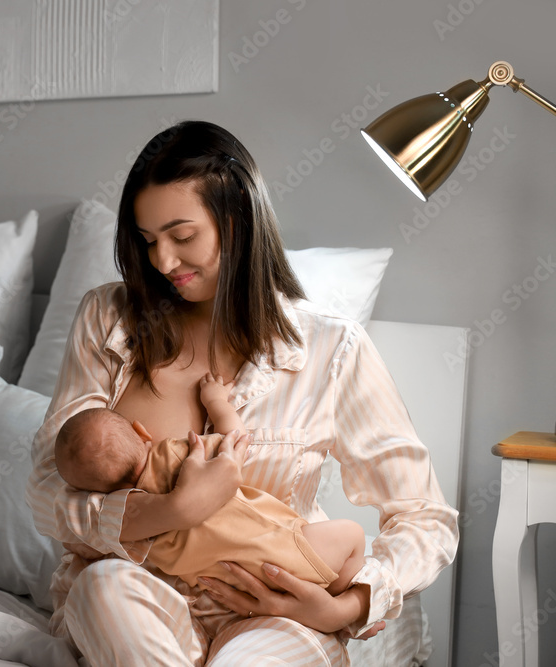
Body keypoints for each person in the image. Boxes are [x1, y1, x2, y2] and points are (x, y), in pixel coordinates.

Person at [26, 120, 459, 665]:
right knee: (102, 589)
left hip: (276, 612)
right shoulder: (107, 320)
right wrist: (173, 510)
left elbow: (425, 516)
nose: (162, 262)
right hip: (141, 599)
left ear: (236, 224)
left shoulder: (331, 348)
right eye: (148, 241)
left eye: (183, 237)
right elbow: (46, 492)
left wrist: (346, 608)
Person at [54, 372, 366, 598]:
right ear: (142, 432)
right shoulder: (174, 454)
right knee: (353, 535)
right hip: (290, 549)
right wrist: (215, 401)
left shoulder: (138, 533)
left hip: (244, 588)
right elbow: (235, 439)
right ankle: (338, 594)